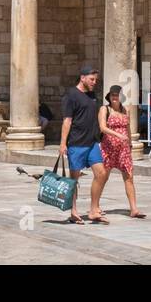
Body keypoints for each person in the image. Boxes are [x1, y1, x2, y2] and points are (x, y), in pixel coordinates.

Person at [58, 66, 107, 224]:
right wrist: (62, 143)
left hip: (92, 142)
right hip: (76, 143)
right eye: (92, 79)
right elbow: (67, 120)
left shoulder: (92, 95)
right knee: (74, 179)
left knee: (101, 173)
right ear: (82, 78)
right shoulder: (71, 95)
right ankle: (73, 211)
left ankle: (94, 209)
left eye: (95, 80)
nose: (94, 83)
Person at [92, 84, 145, 219]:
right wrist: (117, 135)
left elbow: (127, 128)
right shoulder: (104, 109)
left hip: (123, 149)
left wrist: (130, 143)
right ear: (109, 97)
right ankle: (95, 206)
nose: (115, 97)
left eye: (117, 95)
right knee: (103, 177)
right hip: (108, 148)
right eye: (113, 95)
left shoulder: (125, 110)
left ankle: (134, 209)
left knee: (129, 178)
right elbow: (102, 128)